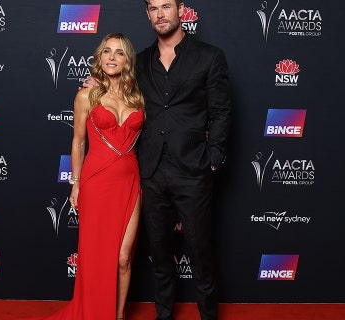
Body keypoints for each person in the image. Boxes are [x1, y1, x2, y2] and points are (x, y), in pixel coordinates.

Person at [86, 1, 231, 319]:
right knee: (159, 255)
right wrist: (96, 84)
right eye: (153, 8)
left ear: (181, 9)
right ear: (148, 14)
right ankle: (164, 315)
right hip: (150, 171)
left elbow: (220, 111)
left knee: (201, 253)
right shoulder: (139, 62)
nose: (160, 14)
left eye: (166, 6)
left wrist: (214, 158)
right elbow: (115, 86)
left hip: (193, 170)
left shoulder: (209, 56)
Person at [33, 33, 145, 320]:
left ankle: (118, 315)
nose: (111, 57)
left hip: (130, 182)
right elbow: (78, 143)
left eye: (119, 53)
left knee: (123, 257)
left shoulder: (139, 97)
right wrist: (76, 183)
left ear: (127, 60)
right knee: (96, 259)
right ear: (99, 57)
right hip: (97, 182)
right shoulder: (86, 95)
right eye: (106, 51)